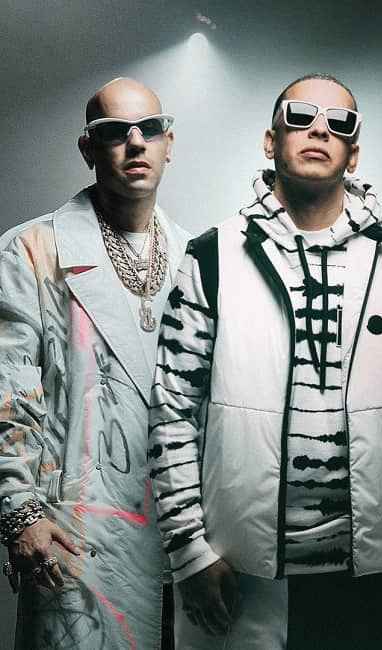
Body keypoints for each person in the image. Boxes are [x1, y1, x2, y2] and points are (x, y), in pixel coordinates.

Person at [148, 73, 382, 649]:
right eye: (299, 116)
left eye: (339, 122)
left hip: (372, 574)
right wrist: (188, 550)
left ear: (353, 154)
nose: (319, 129)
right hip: (243, 572)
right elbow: (171, 411)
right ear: (271, 141)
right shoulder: (211, 256)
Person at [0, 77, 190, 648]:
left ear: (169, 143)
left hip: (181, 536)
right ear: (88, 148)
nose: (135, 142)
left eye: (149, 128)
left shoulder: (196, 257)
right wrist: (20, 511)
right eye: (114, 131)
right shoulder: (32, 249)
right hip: (78, 533)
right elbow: (8, 390)